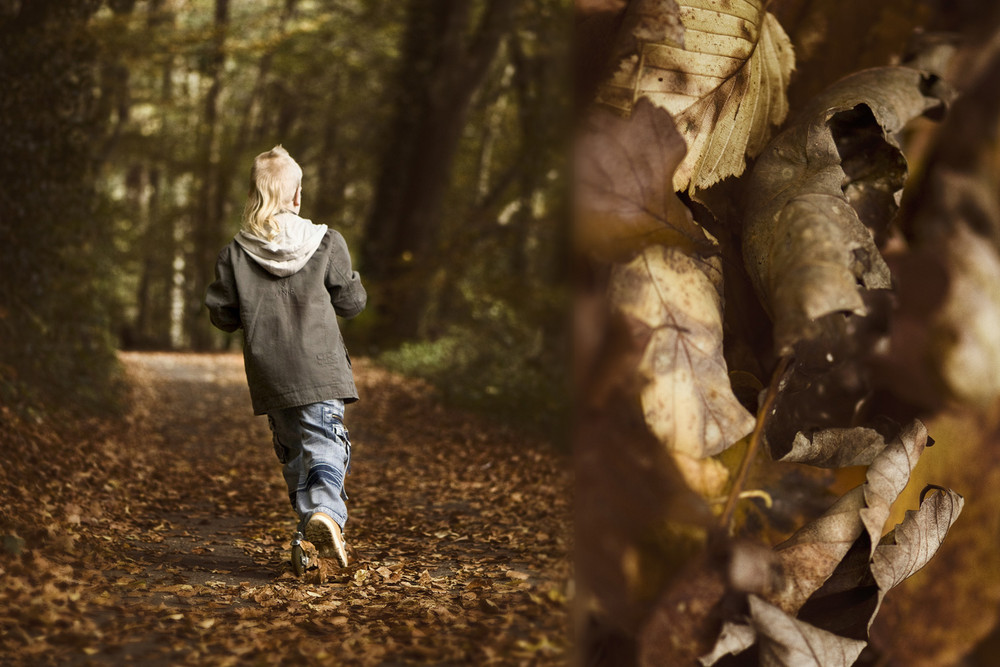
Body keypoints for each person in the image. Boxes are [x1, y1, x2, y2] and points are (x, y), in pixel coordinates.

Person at [205, 145, 366, 569]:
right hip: (321, 367)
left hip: (271, 373)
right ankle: (326, 516)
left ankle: (308, 545)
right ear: (296, 196)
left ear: (254, 196)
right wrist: (353, 284)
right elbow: (350, 303)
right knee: (325, 444)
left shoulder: (235, 253)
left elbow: (221, 315)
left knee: (295, 454)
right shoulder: (326, 241)